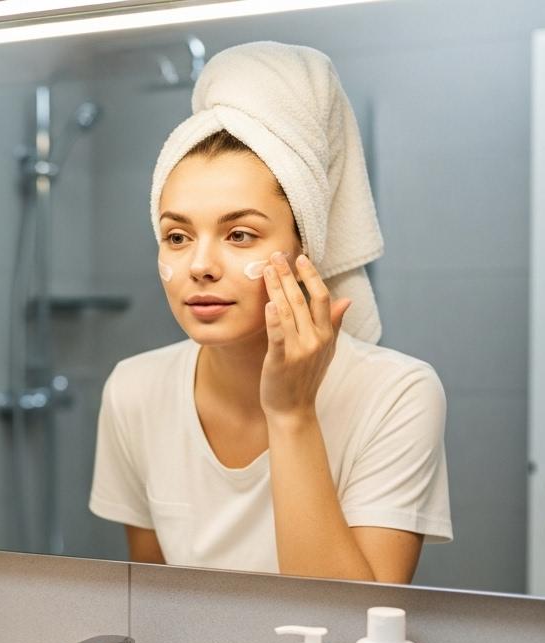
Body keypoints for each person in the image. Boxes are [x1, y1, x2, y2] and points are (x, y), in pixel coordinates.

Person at [89, 42, 452, 584]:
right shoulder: (134, 390)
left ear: (307, 251)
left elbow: (354, 627)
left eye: (240, 234)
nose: (200, 265)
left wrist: (291, 413)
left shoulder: (398, 394)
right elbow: (155, 603)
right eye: (177, 235)